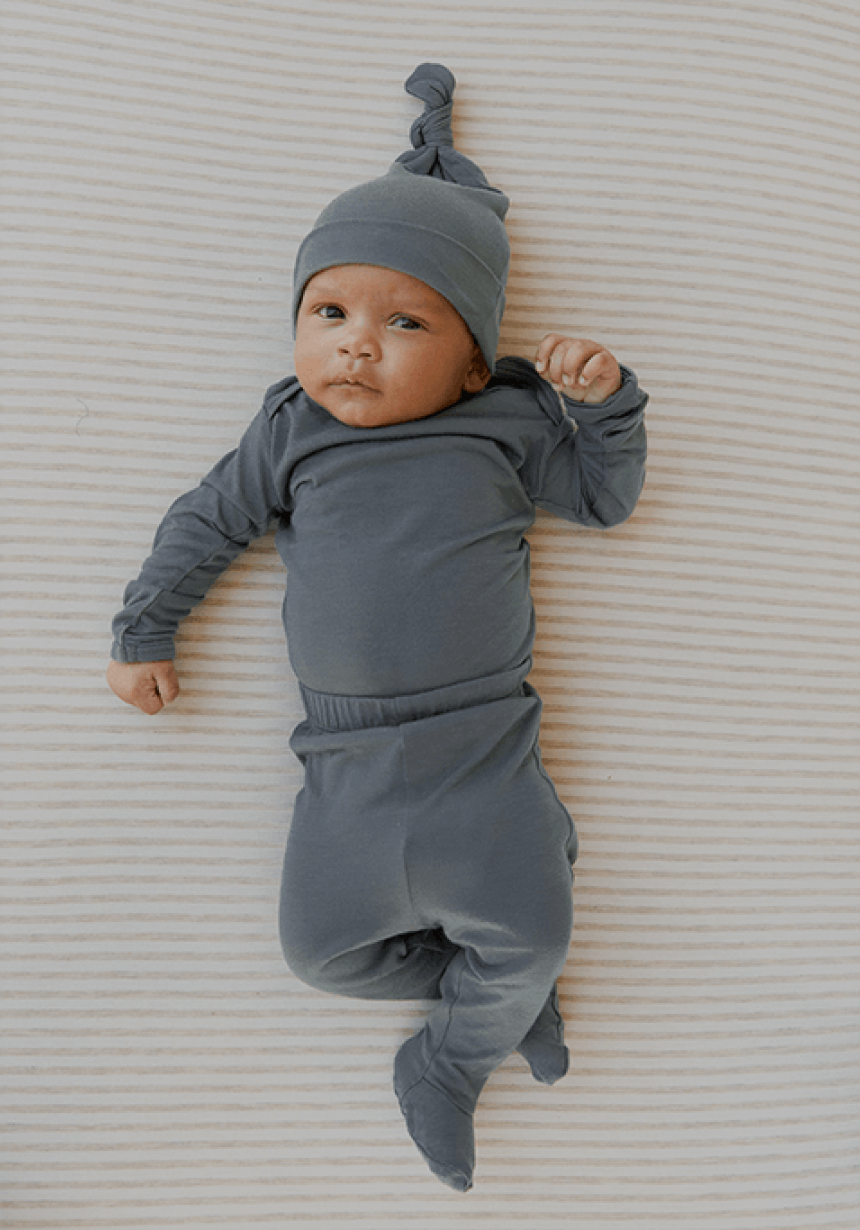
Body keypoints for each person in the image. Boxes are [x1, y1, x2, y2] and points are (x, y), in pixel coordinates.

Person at [107, 63, 648, 1192]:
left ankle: (449, 1058)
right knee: (319, 955)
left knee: (535, 931)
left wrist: (604, 408)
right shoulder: (292, 430)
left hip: (480, 748)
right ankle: (486, 999)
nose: (356, 343)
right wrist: (145, 628)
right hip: (343, 760)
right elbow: (204, 523)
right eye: (329, 312)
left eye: (404, 321)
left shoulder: (502, 427)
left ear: (468, 359)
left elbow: (603, 499)